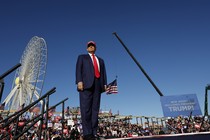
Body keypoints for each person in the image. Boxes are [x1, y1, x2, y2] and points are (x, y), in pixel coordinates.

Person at [76, 41, 107, 140]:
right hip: (86, 85)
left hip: (98, 85)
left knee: (95, 110)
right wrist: (79, 81)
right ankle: (87, 133)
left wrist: (104, 84)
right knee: (86, 109)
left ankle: (94, 132)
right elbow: (78, 70)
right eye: (89, 46)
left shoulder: (101, 60)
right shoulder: (82, 57)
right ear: (87, 48)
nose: (91, 47)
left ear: (95, 47)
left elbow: (103, 73)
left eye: (92, 45)